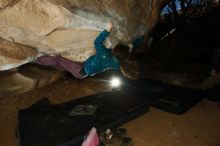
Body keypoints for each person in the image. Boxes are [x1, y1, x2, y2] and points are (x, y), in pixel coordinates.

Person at [36, 20, 120, 78]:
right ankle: (40, 62)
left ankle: (37, 59)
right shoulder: (116, 64)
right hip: (82, 72)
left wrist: (108, 30)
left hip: (80, 70)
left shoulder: (105, 54)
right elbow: (120, 65)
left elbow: (97, 42)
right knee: (59, 65)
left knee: (58, 58)